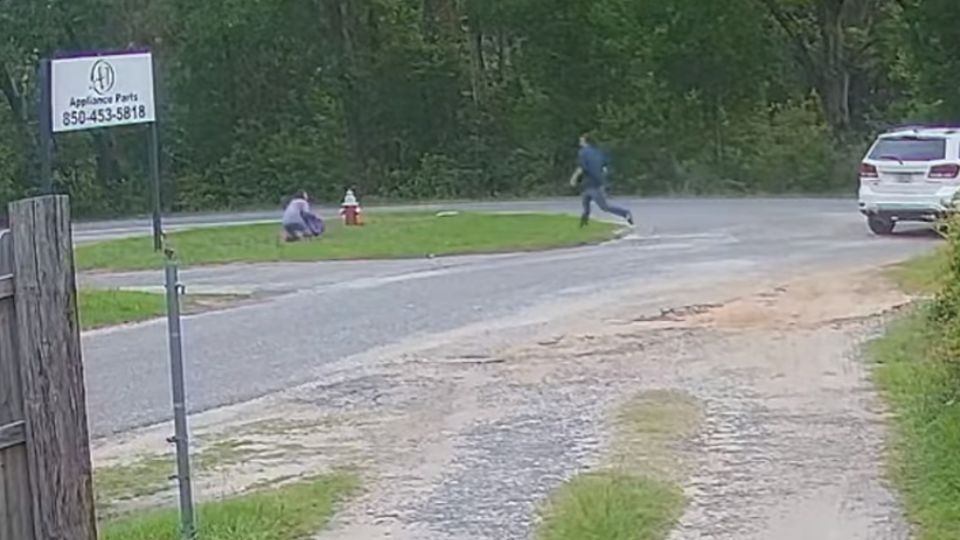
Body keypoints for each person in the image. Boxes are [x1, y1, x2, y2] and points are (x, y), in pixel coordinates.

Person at [569, 134, 634, 227]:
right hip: (597, 182)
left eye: (581, 140)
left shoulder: (582, 152)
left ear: (586, 141)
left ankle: (625, 213)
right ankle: (583, 224)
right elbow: (605, 166)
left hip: (590, 183)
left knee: (604, 206)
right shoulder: (598, 152)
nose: (580, 142)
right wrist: (603, 178)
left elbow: (581, 168)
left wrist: (573, 179)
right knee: (585, 202)